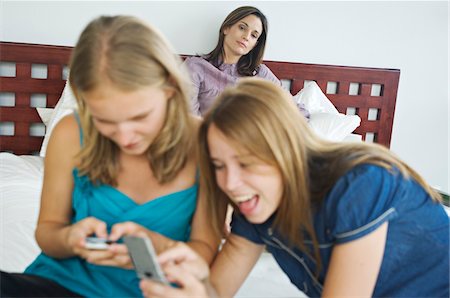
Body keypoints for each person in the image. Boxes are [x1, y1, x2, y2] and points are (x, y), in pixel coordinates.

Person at [139, 78, 449, 298]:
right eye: (219, 166)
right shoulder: (257, 209)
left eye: (247, 163)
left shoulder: (359, 185)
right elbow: (217, 290)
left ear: (286, 150)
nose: (230, 184)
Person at [0, 15, 219, 297]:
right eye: (104, 121)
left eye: (140, 116)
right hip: (60, 284)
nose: (126, 137)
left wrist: (158, 246)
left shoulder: (205, 142)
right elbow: (48, 233)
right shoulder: (70, 132)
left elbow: (206, 251)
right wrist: (70, 239)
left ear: (169, 90)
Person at [184, 6, 309, 119]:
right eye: (242, 28)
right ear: (226, 28)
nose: (246, 37)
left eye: (254, 35)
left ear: (255, 45)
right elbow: (188, 119)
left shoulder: (261, 74)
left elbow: (297, 111)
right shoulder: (196, 67)